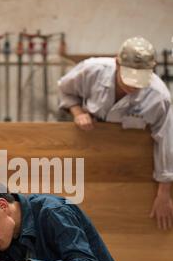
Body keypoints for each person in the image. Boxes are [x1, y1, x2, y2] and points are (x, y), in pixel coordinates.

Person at [58, 37, 173, 230]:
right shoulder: (91, 70)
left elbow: (166, 142)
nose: (133, 87)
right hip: (87, 151)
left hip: (127, 164)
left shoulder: (159, 97)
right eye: (129, 77)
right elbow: (64, 89)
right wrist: (77, 112)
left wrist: (164, 193)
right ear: (117, 62)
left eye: (140, 81)